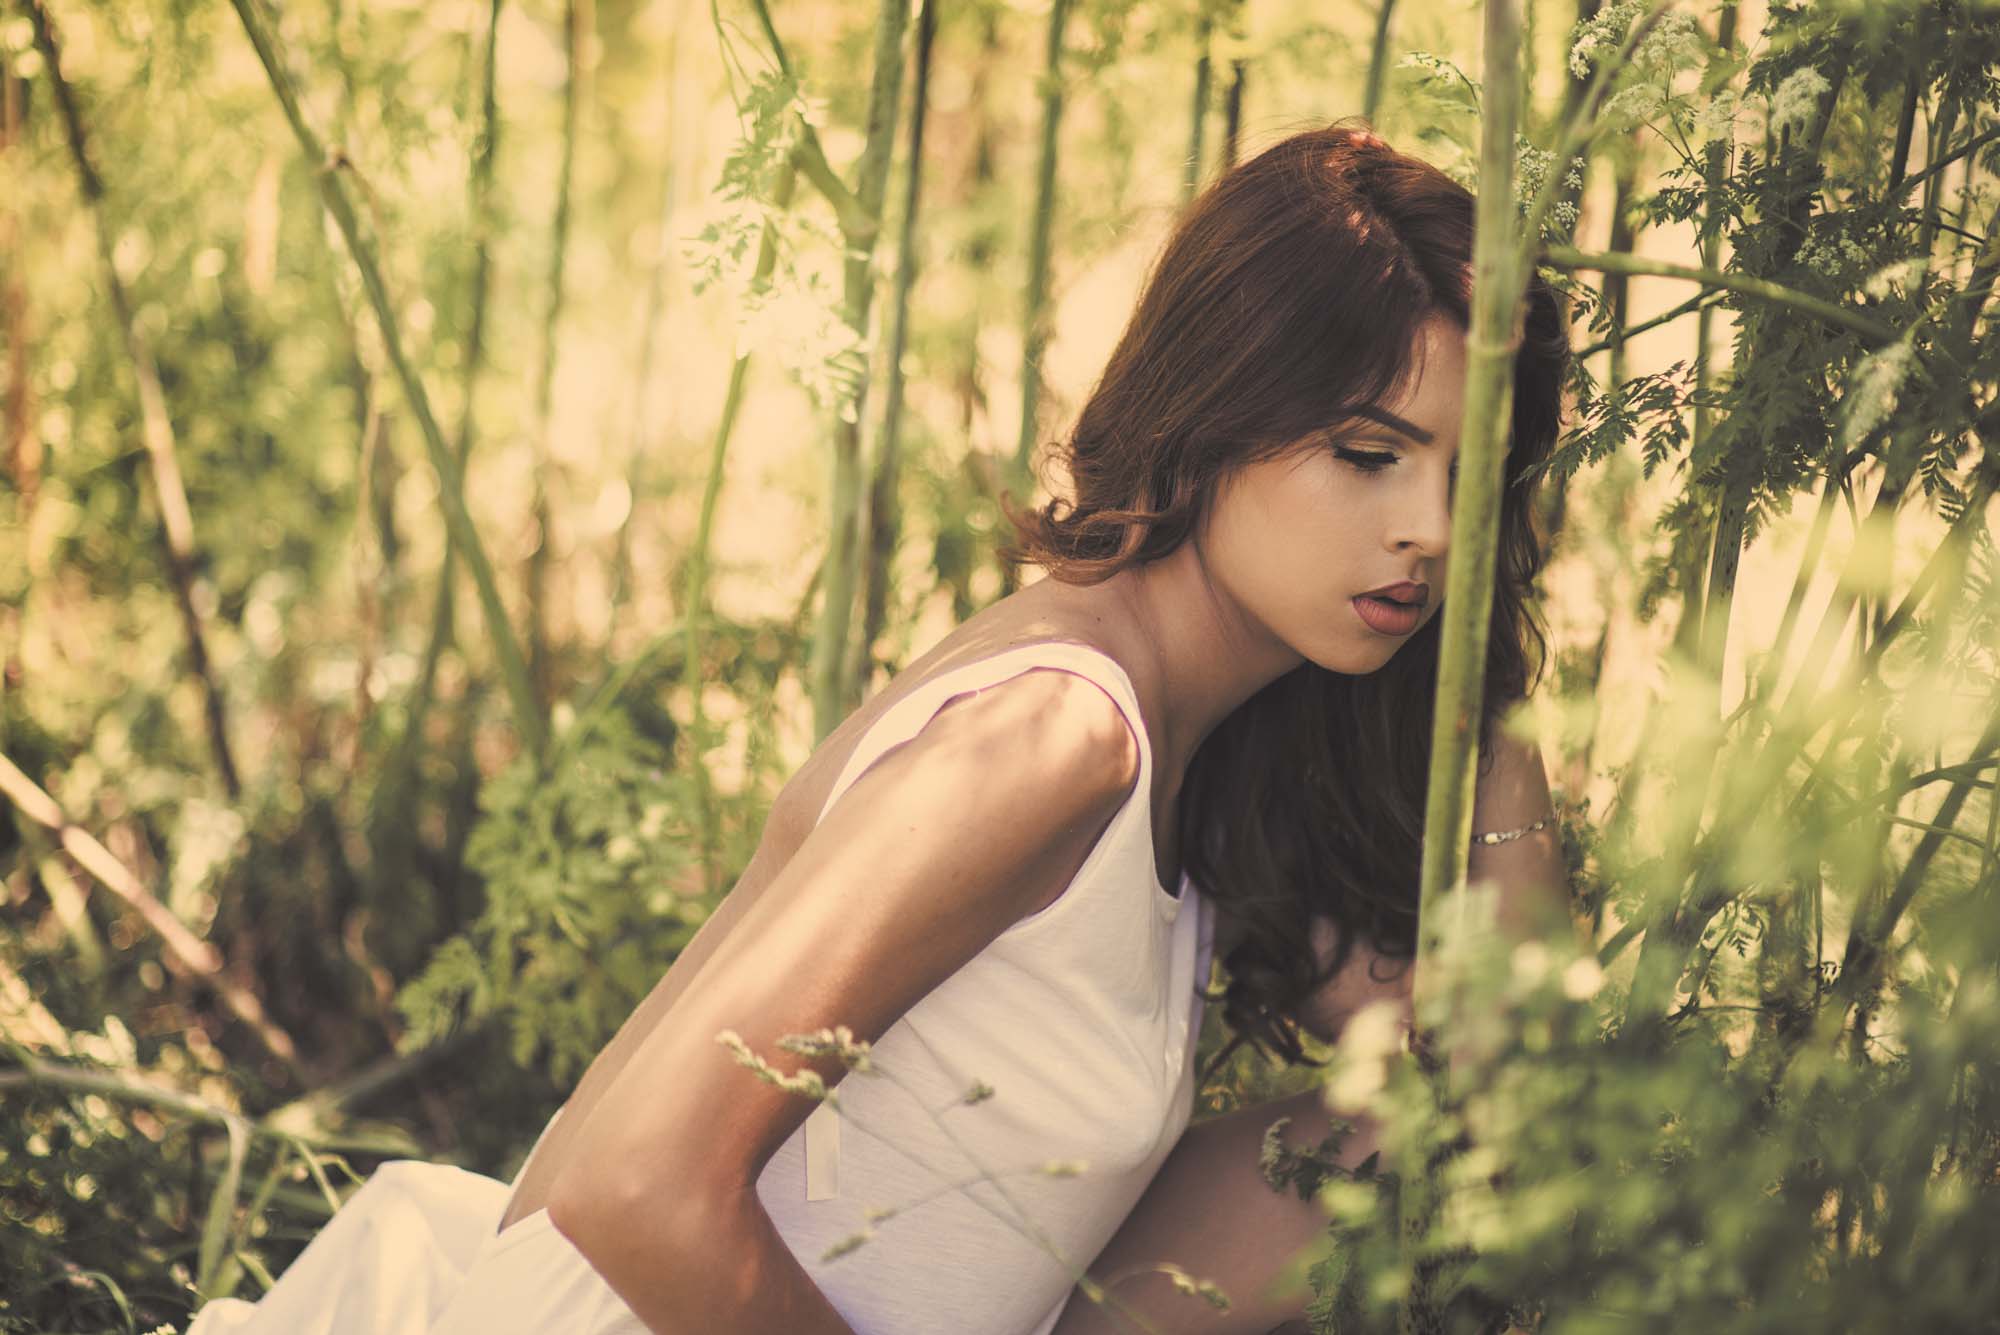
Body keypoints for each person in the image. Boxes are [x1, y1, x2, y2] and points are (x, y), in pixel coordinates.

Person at [188, 118, 1570, 1335]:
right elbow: (635, 1185)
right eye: (1369, 455)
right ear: (1219, 410)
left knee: (1410, 1136)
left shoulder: (1196, 747)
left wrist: (1485, 695)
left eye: (1474, 477)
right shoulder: (1053, 736)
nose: (1430, 530)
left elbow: (1492, 1082)